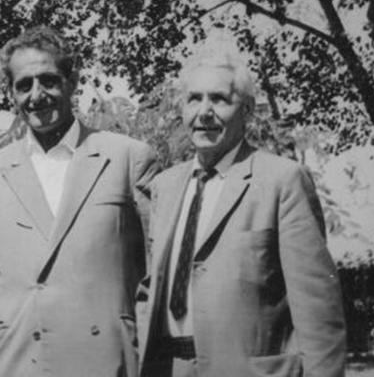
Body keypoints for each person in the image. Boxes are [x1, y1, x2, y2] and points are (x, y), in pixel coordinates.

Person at [0, 26, 156, 377]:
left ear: (72, 81)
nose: (37, 95)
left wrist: (140, 359)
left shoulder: (128, 158)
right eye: (24, 85)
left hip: (104, 363)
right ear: (12, 92)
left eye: (48, 81)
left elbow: (156, 275)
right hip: (13, 364)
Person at [136, 48, 347, 377]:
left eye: (219, 99)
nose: (204, 112)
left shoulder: (282, 181)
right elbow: (150, 289)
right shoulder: (164, 186)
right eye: (194, 99)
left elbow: (318, 310)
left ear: (246, 109)